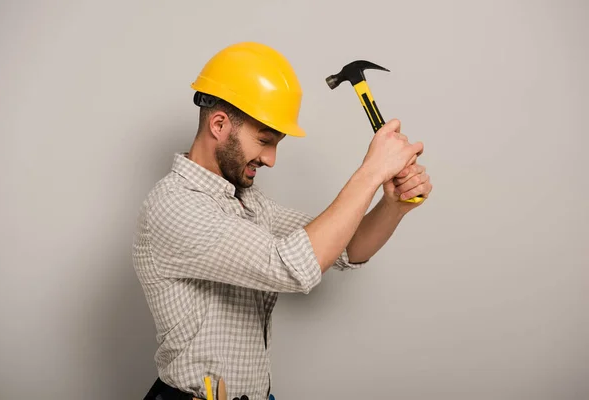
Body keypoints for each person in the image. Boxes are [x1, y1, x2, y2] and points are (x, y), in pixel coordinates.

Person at [133, 42, 432, 400]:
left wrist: (393, 205)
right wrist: (370, 173)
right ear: (219, 124)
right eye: (264, 140)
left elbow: (342, 247)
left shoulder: (247, 203)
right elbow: (292, 267)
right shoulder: (175, 206)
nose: (272, 159)